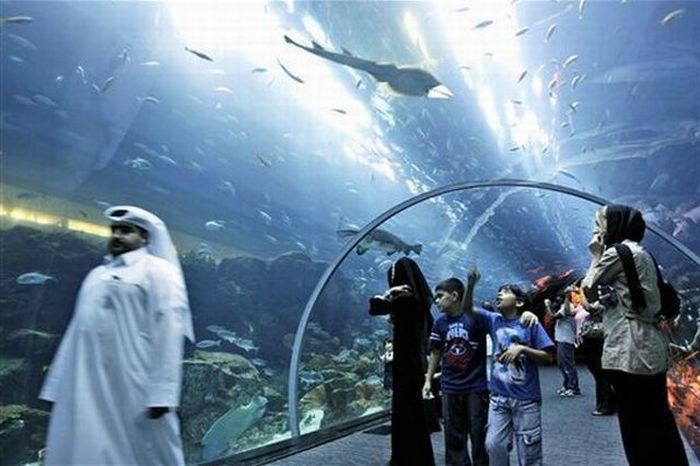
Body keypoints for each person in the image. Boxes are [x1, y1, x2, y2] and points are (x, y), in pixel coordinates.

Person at [39, 206, 195, 465]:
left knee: (148, 451)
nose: (117, 236)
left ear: (144, 236)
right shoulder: (95, 275)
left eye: (126, 230)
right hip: (85, 382)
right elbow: (76, 330)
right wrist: (57, 384)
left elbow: (169, 328)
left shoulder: (159, 272)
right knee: (85, 444)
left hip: (134, 382)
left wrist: (162, 392)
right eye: (114, 230)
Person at [581, 204, 688, 466]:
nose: (596, 228)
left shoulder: (618, 252)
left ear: (616, 224)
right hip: (649, 344)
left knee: (635, 426)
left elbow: (588, 289)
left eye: (601, 222)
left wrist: (595, 255)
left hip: (629, 349)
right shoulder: (642, 253)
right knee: (658, 419)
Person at [424, 277, 539, 466]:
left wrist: (526, 313)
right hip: (449, 387)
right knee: (453, 435)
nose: (436, 301)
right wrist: (428, 379)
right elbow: (435, 351)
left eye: (440, 296)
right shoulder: (440, 323)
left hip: (475, 387)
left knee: (479, 433)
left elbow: (504, 319)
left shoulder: (476, 319)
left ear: (454, 296)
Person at [463, 267, 554, 466]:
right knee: (494, 445)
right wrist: (470, 285)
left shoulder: (529, 323)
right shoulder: (493, 320)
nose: (499, 294)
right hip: (498, 397)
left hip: (525, 398)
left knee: (529, 451)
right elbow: (467, 310)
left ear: (519, 302)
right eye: (499, 291)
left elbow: (548, 357)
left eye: (505, 292)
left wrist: (522, 349)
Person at [369, 257, 435, 466]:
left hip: (406, 364)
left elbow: (375, 307)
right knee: (413, 411)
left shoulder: (405, 299)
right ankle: (417, 457)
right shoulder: (419, 299)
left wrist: (389, 293)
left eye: (394, 274)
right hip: (413, 361)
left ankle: (406, 458)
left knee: (405, 410)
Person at [545, 288, 580, 397]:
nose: (558, 299)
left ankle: (573, 387)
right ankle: (566, 385)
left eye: (561, 297)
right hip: (561, 339)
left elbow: (553, 316)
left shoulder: (568, 306)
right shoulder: (562, 307)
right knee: (561, 364)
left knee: (568, 363)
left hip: (566, 339)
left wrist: (547, 305)